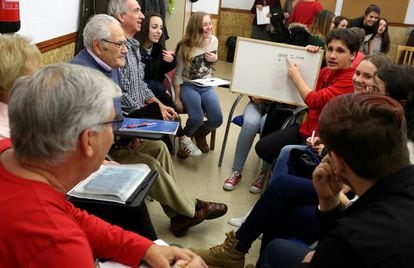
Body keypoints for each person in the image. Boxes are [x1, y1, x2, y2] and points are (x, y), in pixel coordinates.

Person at [192, 53, 393, 268]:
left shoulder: (380, 125)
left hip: (348, 203)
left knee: (280, 188)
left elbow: (362, 186)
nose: (359, 80)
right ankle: (247, 253)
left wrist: (336, 192)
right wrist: (326, 149)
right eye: (358, 73)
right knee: (281, 168)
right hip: (335, 181)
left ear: (384, 87)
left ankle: (237, 249)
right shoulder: (357, 105)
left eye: (368, 78)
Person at [0, 63, 207, 268]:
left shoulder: (8, 151)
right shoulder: (60, 245)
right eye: (112, 123)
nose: (115, 131)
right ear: (88, 140)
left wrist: (144, 249)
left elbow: (71, 214)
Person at [70, 14, 227, 237]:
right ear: (97, 45)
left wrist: (127, 133)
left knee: (160, 148)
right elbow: (75, 131)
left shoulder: (109, 62)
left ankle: (179, 215)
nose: (125, 49)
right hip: (97, 154)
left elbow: (115, 111)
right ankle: (190, 209)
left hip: (115, 138)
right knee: (149, 165)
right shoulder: (80, 75)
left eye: (125, 44)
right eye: (119, 44)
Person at [261, 92, 414, 268]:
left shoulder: (350, 240)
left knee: (275, 249)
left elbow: (342, 244)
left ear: (337, 162)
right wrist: (329, 203)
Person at [255, 28, 358, 167]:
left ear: (353, 55)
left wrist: (296, 76)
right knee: (263, 147)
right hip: (306, 130)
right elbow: (306, 90)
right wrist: (309, 58)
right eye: (330, 49)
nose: (332, 55)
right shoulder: (326, 71)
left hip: (322, 140)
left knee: (284, 163)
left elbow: (314, 100)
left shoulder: (351, 79)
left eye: (340, 51)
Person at [107, 0, 176, 121]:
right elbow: (118, 93)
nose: (143, 16)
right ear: (121, 16)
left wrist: (159, 106)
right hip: (126, 121)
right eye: (136, 11)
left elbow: (141, 85)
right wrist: (145, 115)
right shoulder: (115, 48)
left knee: (169, 113)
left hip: (137, 116)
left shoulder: (134, 45)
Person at [173, 12, 223, 155]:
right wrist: (177, 98)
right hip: (188, 86)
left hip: (206, 85)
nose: (209, 27)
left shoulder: (214, 40)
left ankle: (200, 134)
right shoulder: (185, 46)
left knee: (217, 119)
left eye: (210, 23)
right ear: (196, 28)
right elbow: (177, 75)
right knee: (196, 117)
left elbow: (211, 64)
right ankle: (185, 140)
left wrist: (215, 59)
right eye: (205, 24)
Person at [222, 97, 271, 194]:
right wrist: (252, 96)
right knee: (250, 123)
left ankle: (265, 172)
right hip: (256, 103)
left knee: (266, 123)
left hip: (279, 109)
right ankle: (236, 171)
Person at [0, 34, 41, 139]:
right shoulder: (7, 133)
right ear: (9, 83)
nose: (39, 81)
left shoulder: (22, 108)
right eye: (33, 77)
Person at [135, 11, 176, 108]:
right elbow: (139, 81)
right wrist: (160, 87)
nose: (159, 32)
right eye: (154, 27)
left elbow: (162, 70)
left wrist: (171, 61)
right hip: (139, 94)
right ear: (145, 28)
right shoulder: (134, 49)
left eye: (161, 28)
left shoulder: (158, 48)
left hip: (157, 91)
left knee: (170, 109)